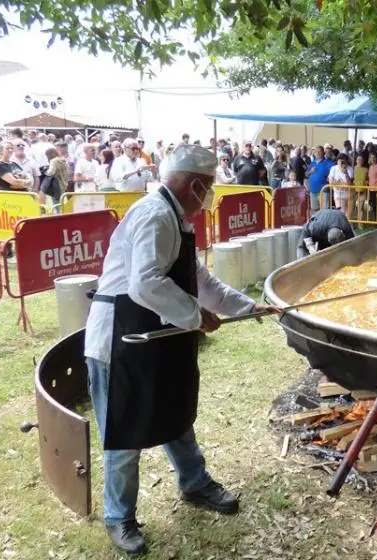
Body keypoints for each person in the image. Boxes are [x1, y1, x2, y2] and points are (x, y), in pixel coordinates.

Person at [84, 144, 277, 555]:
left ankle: (194, 481)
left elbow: (201, 281)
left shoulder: (176, 218)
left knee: (175, 410)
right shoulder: (155, 215)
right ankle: (119, 516)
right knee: (123, 434)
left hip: (157, 334)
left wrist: (247, 306)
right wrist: (195, 314)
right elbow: (144, 284)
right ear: (193, 184)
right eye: (208, 188)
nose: (209, 198)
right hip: (121, 337)